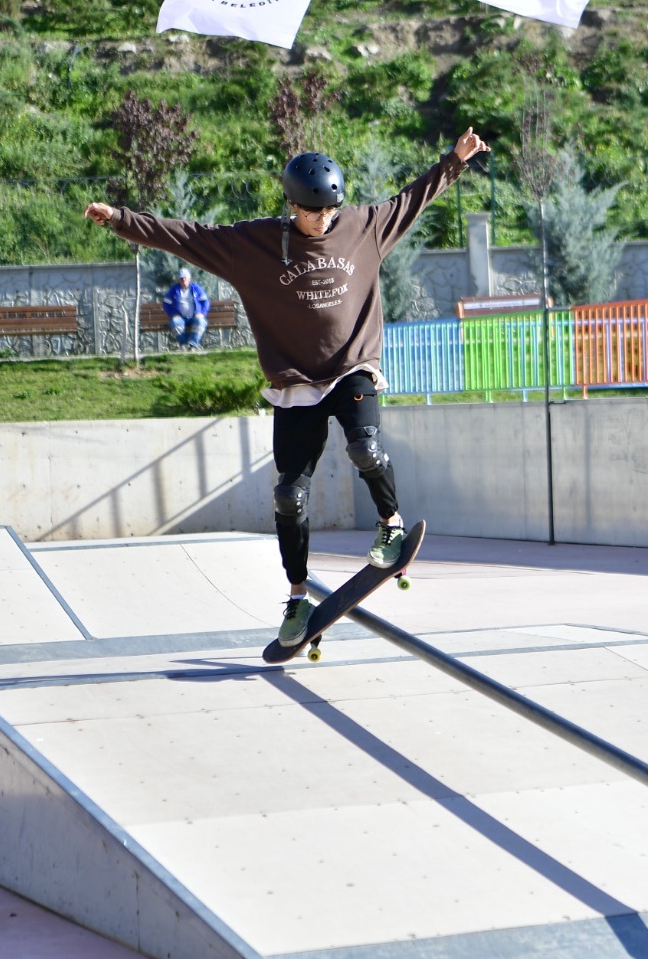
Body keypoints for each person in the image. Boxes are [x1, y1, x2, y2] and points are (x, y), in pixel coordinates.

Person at [85, 128, 491, 647]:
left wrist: (453, 161)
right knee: (287, 497)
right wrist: (119, 219)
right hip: (296, 383)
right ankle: (298, 598)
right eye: (312, 214)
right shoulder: (251, 246)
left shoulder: (364, 227)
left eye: (329, 213)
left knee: (365, 447)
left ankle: (390, 523)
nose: (323, 222)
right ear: (291, 205)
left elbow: (413, 198)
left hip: (352, 370)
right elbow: (184, 235)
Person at [163, 268, 210, 349]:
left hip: (194, 317)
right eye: (181, 279)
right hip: (180, 318)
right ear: (179, 280)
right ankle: (184, 344)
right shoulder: (174, 290)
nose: (183, 280)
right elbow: (166, 304)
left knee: (201, 322)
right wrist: (173, 314)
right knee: (174, 322)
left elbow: (205, 302)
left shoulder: (196, 288)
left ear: (189, 279)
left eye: (185, 278)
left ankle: (192, 344)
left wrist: (202, 313)